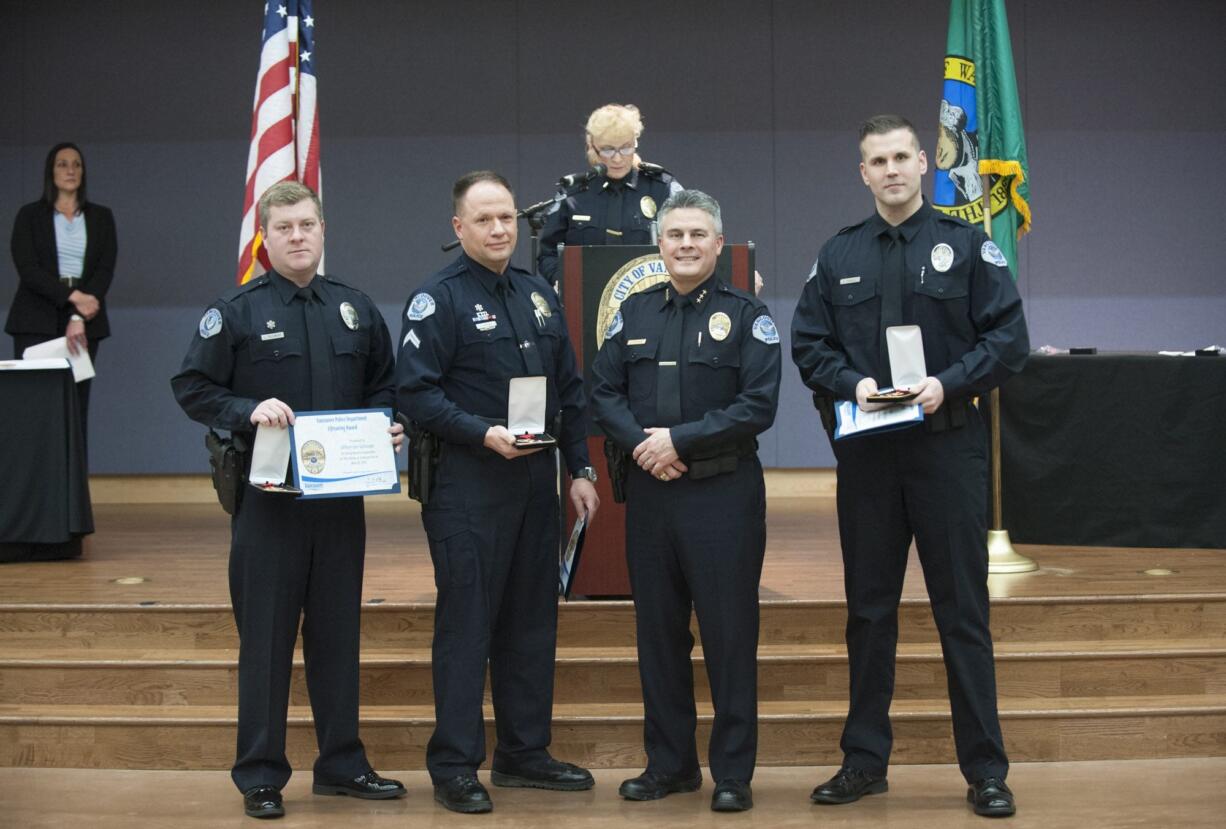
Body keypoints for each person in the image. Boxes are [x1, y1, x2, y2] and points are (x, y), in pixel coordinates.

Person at [791, 114, 1029, 818]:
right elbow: (809, 345)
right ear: (861, 172)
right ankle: (864, 760)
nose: (891, 170)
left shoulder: (968, 245)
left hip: (946, 447)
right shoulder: (838, 255)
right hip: (869, 456)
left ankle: (986, 768)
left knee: (963, 611)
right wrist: (852, 383)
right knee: (868, 612)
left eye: (901, 156)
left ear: (924, 162)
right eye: (877, 160)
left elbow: (1010, 339)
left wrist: (947, 382)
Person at [171, 181, 405, 819]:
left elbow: (387, 383)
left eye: (307, 225)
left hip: (338, 506)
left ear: (323, 230)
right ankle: (261, 774)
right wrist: (248, 409)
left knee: (338, 637)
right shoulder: (237, 311)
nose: (298, 237)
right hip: (269, 503)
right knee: (267, 642)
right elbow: (191, 386)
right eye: (284, 228)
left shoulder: (354, 308)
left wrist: (389, 423)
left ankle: (341, 764)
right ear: (265, 238)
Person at [397, 170, 601, 814]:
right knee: (468, 627)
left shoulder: (538, 295)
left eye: (507, 217)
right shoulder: (438, 299)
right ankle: (455, 765)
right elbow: (416, 393)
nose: (498, 229)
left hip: (534, 486)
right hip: (465, 487)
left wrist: (581, 470)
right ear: (458, 228)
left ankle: (523, 753)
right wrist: (481, 433)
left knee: (530, 623)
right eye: (483, 219)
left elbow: (570, 390)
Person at [590, 189, 781, 812]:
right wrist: (646, 448)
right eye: (675, 235)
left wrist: (679, 441)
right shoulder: (634, 313)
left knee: (729, 635)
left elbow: (758, 406)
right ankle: (669, 764)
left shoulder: (749, 315)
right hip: (652, 496)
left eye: (698, 234)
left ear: (719, 244)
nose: (686, 245)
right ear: (660, 244)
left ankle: (732, 773)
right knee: (658, 634)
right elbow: (603, 390)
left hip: (722, 494)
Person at [7, 142, 117, 447]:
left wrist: (78, 314)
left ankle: (73, 493)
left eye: (76, 164)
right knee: (34, 407)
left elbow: (104, 269)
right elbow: (28, 268)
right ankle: (36, 492)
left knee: (74, 408)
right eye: (62, 164)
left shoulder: (101, 217)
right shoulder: (29, 216)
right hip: (34, 320)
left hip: (85, 323)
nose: (70, 170)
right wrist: (74, 298)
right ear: (50, 172)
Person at [536, 103, 682, 281]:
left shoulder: (662, 189)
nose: (618, 158)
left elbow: (686, 244)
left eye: (626, 147)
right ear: (593, 147)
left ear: (635, 142)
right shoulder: (573, 195)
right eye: (608, 150)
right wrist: (568, 285)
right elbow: (548, 255)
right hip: (587, 299)